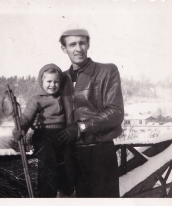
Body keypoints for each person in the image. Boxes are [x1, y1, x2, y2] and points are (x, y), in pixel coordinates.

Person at [57, 28, 124, 197]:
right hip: (71, 157)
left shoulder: (106, 71)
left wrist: (81, 127)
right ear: (64, 49)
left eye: (82, 43)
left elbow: (116, 112)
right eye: (72, 44)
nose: (78, 48)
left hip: (100, 153)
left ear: (88, 45)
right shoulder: (61, 79)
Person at [12, 64, 74, 197]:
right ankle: (46, 195)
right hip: (44, 135)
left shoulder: (63, 97)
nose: (52, 85)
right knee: (48, 164)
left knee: (67, 163)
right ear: (42, 81)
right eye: (49, 81)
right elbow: (27, 117)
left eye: (56, 81)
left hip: (62, 134)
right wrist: (21, 128)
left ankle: (66, 192)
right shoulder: (37, 99)